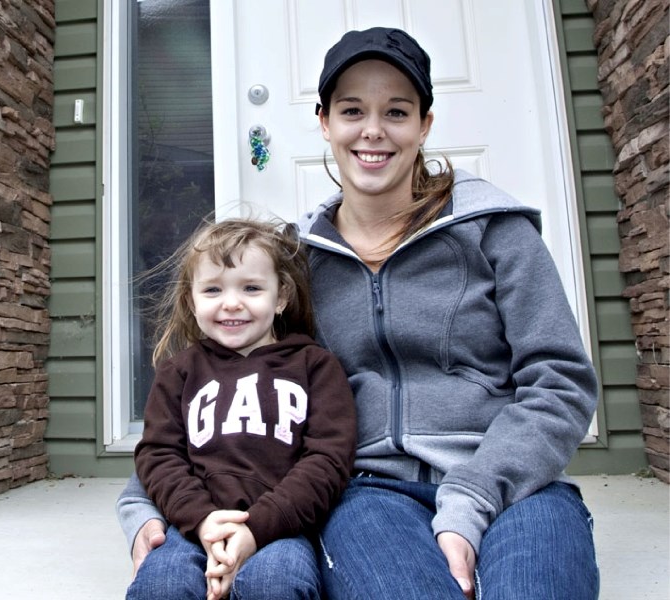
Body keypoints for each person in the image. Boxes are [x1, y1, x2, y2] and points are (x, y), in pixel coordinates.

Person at [118, 27, 600, 600]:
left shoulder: (497, 232)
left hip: (514, 481)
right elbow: (233, 386)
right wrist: (142, 501)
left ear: (424, 124)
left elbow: (560, 382)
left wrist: (473, 495)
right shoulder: (295, 264)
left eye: (396, 111)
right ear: (325, 123)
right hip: (371, 492)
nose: (373, 131)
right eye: (352, 110)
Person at [124, 218, 356, 600]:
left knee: (275, 585)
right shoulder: (179, 373)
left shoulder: (315, 367)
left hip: (282, 528)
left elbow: (328, 461)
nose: (232, 302)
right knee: (160, 585)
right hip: (193, 527)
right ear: (191, 300)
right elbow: (158, 454)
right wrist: (202, 521)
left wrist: (256, 529)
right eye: (213, 289)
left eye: (251, 287)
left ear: (281, 296)